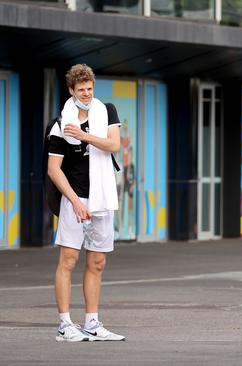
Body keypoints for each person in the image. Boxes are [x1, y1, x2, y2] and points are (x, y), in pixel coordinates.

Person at [48, 64, 124, 342]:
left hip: (102, 197)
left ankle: (92, 323)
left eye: (90, 88)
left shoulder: (107, 112)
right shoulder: (60, 124)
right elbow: (53, 169)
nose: (86, 93)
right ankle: (64, 325)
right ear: (71, 90)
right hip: (75, 198)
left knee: (98, 262)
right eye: (81, 89)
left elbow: (114, 145)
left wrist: (85, 136)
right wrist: (74, 201)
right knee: (68, 260)